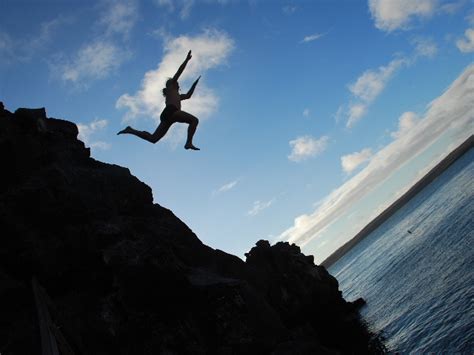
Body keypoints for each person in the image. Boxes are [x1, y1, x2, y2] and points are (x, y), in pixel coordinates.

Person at [118, 50, 201, 150]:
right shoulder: (171, 88)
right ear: (171, 84)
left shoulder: (177, 95)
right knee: (194, 120)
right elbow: (179, 72)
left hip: (168, 116)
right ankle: (188, 143)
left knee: (154, 139)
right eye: (175, 81)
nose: (178, 83)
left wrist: (194, 84)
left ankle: (131, 130)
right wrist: (186, 60)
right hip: (172, 111)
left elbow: (188, 95)